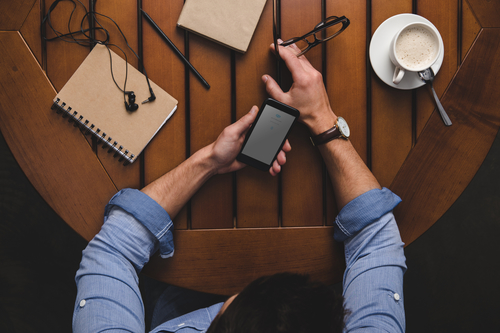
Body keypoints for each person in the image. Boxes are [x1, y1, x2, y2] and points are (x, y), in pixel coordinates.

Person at [72, 42, 406, 332]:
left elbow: (112, 250)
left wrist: (208, 162)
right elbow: (376, 241)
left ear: (219, 319)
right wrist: (321, 118)